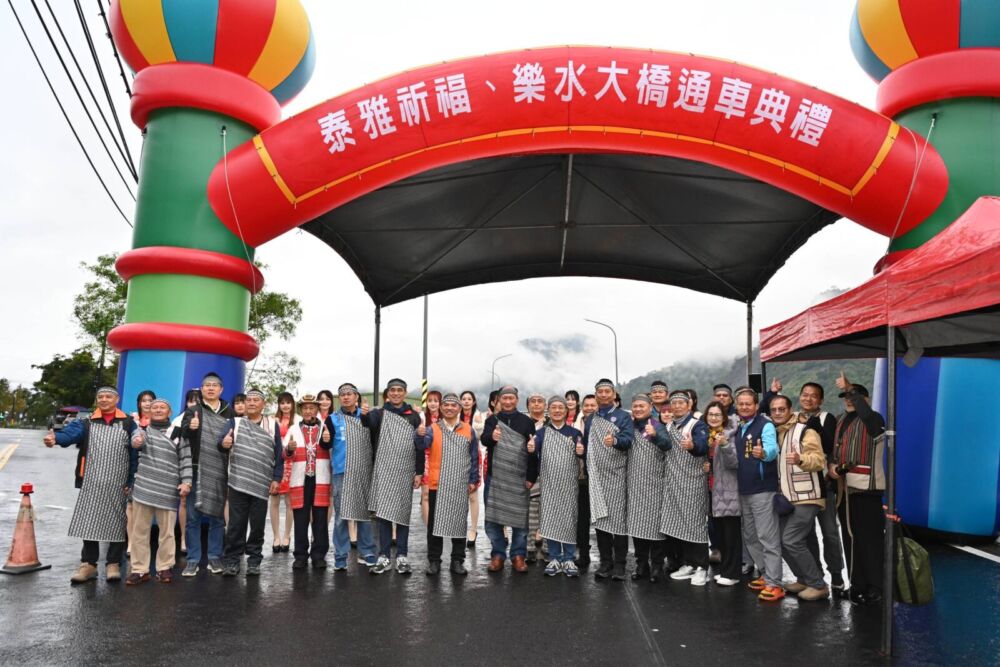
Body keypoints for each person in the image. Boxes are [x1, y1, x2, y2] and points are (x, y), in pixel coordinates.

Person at [44, 386, 139, 584]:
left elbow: (133, 455)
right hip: (91, 480)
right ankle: (88, 564)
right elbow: (69, 435)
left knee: (117, 522)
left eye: (108, 396)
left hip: (118, 482)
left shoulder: (128, 423)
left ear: (116, 399)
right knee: (89, 521)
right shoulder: (87, 422)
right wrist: (56, 438)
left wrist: (131, 480)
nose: (103, 400)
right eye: (100, 397)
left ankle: (113, 564)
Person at [767, 378, 847, 596]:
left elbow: (825, 450)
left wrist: (803, 452)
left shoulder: (820, 420)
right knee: (805, 536)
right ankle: (812, 577)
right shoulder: (785, 426)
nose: (808, 398)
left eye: (813, 396)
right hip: (795, 491)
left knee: (829, 533)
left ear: (820, 400)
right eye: (805, 394)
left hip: (821, 487)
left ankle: (835, 577)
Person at [831, 372, 886, 605]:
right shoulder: (840, 420)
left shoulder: (874, 420)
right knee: (850, 539)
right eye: (845, 397)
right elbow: (833, 451)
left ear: (865, 399)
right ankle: (857, 585)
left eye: (853, 396)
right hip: (845, 490)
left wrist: (850, 387)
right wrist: (831, 467)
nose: (849, 400)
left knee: (870, 540)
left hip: (867, 490)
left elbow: (866, 414)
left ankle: (877, 587)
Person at [220, 389, 285, 577]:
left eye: (256, 400)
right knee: (235, 525)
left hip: (262, 482)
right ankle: (232, 560)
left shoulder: (272, 425)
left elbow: (279, 455)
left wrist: (276, 478)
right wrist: (224, 443)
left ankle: (254, 560)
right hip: (238, 481)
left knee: (257, 525)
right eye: (249, 400)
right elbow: (221, 443)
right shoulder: (234, 423)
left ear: (263, 404)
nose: (251, 403)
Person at [770, 394, 829, 601]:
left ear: (790, 410)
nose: (778, 413)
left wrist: (800, 458)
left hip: (807, 496)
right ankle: (803, 579)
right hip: (787, 498)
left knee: (791, 539)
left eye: (781, 409)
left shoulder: (805, 430)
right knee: (780, 540)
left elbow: (819, 460)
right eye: (774, 410)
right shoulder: (776, 433)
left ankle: (818, 585)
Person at [363, 379, 424, 575]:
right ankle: (384, 556)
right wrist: (363, 415)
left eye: (399, 390)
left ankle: (402, 556)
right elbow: (368, 425)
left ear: (405, 393)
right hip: (384, 469)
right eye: (392, 390)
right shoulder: (379, 414)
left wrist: (419, 472)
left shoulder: (413, 416)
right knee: (384, 515)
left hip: (406, 470)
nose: (396, 393)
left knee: (403, 514)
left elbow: (419, 446)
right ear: (387, 393)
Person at [128, 398, 191, 585]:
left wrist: (186, 482)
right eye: (154, 407)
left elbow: (186, 458)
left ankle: (164, 567)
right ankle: (139, 569)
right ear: (148, 412)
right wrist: (137, 441)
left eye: (162, 407)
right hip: (144, 487)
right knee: (139, 531)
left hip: (168, 488)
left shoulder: (178, 432)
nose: (158, 410)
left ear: (169, 412)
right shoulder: (142, 430)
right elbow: (136, 442)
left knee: (167, 533)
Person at [731, 387, 784, 601]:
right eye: (741, 404)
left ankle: (775, 583)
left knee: (767, 537)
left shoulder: (765, 425)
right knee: (751, 536)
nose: (744, 407)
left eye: (748, 403)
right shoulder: (739, 427)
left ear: (756, 405)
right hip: (744, 490)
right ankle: (765, 573)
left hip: (763, 489)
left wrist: (764, 453)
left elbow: (773, 450)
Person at [180, 372, 234, 577]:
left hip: (221, 469)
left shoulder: (230, 413)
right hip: (197, 468)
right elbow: (183, 435)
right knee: (193, 517)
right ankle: (193, 559)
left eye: (214, 385)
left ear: (221, 389)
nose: (210, 388)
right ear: (201, 389)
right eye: (207, 385)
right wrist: (190, 427)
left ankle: (214, 556)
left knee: (217, 518)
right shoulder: (193, 411)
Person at [480, 385, 538, 573]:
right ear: (498, 401)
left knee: (521, 520)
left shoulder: (527, 422)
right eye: (504, 398)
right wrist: (492, 436)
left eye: (511, 398)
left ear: (517, 400)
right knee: (492, 519)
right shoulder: (492, 420)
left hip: (519, 477)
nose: (507, 401)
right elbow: (484, 440)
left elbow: (532, 450)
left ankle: (518, 556)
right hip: (496, 477)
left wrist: (531, 476)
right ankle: (498, 555)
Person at [420, 393, 479, 576]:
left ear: (459, 408)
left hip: (460, 483)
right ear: (441, 408)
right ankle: (434, 561)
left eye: (454, 405)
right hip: (437, 482)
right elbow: (422, 445)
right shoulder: (432, 428)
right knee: (434, 525)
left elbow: (474, 457)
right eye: (446, 405)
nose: (449, 408)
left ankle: (457, 560)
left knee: (459, 523)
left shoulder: (468, 430)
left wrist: (473, 479)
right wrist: (418, 435)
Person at [584, 379, 633, 581]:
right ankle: (605, 562)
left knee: (619, 522)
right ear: (596, 395)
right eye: (600, 392)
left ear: (613, 394)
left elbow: (629, 440)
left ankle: (620, 564)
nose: (603, 395)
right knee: (600, 520)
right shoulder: (591, 419)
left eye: (607, 391)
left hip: (617, 475)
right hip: (596, 476)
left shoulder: (623, 417)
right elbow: (588, 447)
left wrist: (615, 441)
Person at [661, 391, 711, 586]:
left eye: (681, 403)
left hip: (692, 482)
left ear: (689, 405)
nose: (677, 406)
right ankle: (689, 563)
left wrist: (692, 446)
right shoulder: (668, 426)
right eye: (674, 403)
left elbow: (702, 445)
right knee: (680, 523)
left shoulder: (697, 425)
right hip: (674, 482)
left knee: (696, 524)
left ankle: (702, 567)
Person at [327, 382, 377, 571]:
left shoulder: (366, 416)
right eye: (342, 394)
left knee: (364, 514)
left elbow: (375, 440)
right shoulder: (332, 419)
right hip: (341, 471)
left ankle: (368, 552)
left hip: (363, 471)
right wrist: (325, 440)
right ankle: (340, 556)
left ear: (356, 397)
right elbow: (325, 445)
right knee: (341, 516)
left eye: (349, 393)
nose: (346, 397)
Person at [532, 396, 583, 577]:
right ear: (549, 410)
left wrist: (581, 451)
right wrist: (531, 447)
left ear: (566, 410)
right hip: (549, 483)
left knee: (569, 519)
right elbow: (534, 449)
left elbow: (582, 454)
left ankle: (569, 558)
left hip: (569, 484)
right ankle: (554, 557)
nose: (557, 410)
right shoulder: (541, 433)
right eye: (554, 407)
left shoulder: (575, 433)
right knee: (550, 519)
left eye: (561, 407)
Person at [625, 394, 670, 582]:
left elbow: (667, 445)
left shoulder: (657, 425)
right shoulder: (630, 426)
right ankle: (641, 564)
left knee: (655, 527)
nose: (638, 409)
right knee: (637, 526)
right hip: (635, 484)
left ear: (650, 407)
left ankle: (657, 566)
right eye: (635, 406)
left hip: (655, 483)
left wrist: (655, 435)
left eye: (641, 406)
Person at [287, 394, 333, 569]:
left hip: (321, 477)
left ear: (317, 409)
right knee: (300, 518)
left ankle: (319, 555)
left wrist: (328, 441)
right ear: (301, 410)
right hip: (301, 479)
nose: (308, 411)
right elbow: (284, 453)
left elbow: (333, 450)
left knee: (320, 518)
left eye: (311, 408)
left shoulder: (326, 427)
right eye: (305, 408)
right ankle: (300, 555)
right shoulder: (293, 429)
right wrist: (289, 449)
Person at [704, 401, 741, 586]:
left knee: (731, 534)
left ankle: (733, 573)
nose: (714, 418)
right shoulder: (709, 436)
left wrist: (725, 445)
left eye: (717, 415)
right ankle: (725, 570)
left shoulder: (729, 435)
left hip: (728, 490)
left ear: (724, 417)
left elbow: (735, 462)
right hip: (713, 490)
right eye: (710, 414)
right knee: (720, 535)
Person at [170, 388, 201, 555]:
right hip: (183, 466)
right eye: (191, 400)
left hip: (204, 466)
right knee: (183, 502)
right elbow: (171, 443)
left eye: (197, 400)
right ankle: (183, 538)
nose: (194, 403)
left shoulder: (210, 418)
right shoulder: (178, 420)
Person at [127, 389, 155, 557]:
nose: (147, 403)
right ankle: (131, 543)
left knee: (147, 508)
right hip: (133, 466)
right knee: (130, 506)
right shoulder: (131, 421)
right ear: (139, 403)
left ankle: (144, 542)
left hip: (151, 468)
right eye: (143, 400)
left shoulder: (160, 421)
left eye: (150, 400)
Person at [270, 392, 298, 553]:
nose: (285, 406)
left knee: (290, 503)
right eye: (282, 403)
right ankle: (276, 537)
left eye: (288, 402)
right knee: (274, 501)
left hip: (293, 464)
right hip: (276, 463)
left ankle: (287, 535)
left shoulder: (298, 420)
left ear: (293, 404)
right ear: (279, 405)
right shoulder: (273, 421)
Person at [459, 390, 486, 548]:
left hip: (474, 456)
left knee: (473, 495)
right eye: (464, 399)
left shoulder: (479, 416)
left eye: (469, 399)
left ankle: (473, 530)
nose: (466, 401)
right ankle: (458, 528)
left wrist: (478, 425)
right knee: (458, 495)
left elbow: (481, 439)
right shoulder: (455, 415)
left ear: (474, 401)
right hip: (457, 457)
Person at [574, 393, 598, 565]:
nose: (589, 408)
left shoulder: (601, 423)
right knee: (582, 518)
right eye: (586, 405)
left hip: (598, 476)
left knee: (602, 518)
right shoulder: (575, 424)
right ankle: (583, 553)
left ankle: (608, 556)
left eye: (592, 405)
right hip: (580, 477)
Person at [525, 391, 547, 563]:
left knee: (547, 511)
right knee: (531, 511)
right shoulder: (523, 424)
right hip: (529, 473)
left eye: (540, 401)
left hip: (549, 473)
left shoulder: (552, 423)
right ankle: (529, 547)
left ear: (545, 406)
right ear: (528, 405)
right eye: (533, 401)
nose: (537, 404)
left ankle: (547, 547)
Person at [420, 390, 442, 526]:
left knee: (440, 495)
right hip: (426, 460)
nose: (432, 404)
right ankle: (429, 527)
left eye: (436, 401)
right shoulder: (422, 418)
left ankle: (439, 526)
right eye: (430, 401)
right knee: (426, 494)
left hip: (442, 459)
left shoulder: (446, 418)